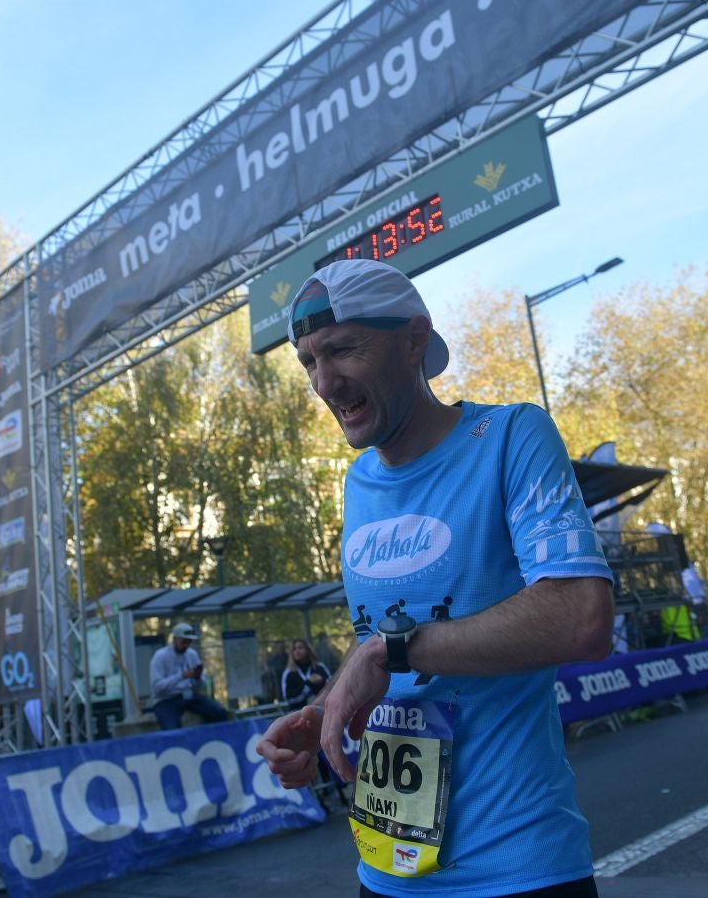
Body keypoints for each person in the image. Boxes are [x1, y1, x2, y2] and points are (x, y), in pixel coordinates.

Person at [255, 259, 615, 896]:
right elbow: (376, 638)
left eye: (342, 350)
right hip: (388, 871)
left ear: (414, 339)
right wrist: (324, 711)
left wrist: (393, 650)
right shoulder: (357, 483)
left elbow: (581, 616)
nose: (324, 383)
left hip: (516, 868)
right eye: (308, 361)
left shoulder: (509, 435)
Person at [148, 622, 229, 730]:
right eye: (184, 642)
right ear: (175, 639)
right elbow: (157, 688)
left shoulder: (191, 654)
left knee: (219, 712)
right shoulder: (160, 657)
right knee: (172, 728)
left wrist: (197, 677)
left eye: (189, 642)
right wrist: (181, 676)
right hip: (166, 700)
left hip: (188, 696)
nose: (186, 645)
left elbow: (201, 685)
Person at [280, 639, 331, 709]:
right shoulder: (288, 673)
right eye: (294, 649)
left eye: (300, 647)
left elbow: (332, 686)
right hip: (298, 712)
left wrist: (322, 681)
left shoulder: (319, 667)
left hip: (323, 709)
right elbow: (288, 698)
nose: (297, 651)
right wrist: (308, 683)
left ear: (308, 650)